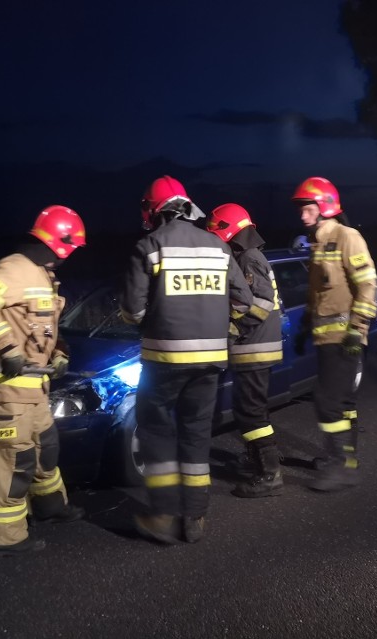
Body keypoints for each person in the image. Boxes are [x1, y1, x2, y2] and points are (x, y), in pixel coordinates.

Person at [120, 176, 252, 544]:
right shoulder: (218, 246)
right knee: (196, 436)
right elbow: (243, 302)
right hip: (211, 361)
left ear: (153, 209)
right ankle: (195, 517)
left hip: (164, 361)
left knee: (157, 434)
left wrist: (152, 317)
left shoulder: (149, 246)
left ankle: (162, 515)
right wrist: (219, 324)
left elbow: (132, 312)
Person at [0, 205, 86, 558]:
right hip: (5, 387)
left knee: (45, 446)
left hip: (34, 386)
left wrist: (59, 353)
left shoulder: (42, 275)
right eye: (74, 248)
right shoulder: (15, 267)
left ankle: (50, 505)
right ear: (62, 242)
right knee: (15, 459)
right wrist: (8, 348)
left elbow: (43, 330)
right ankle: (4, 538)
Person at [292, 177, 377, 492]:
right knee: (341, 402)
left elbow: (368, 286)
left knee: (327, 400)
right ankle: (339, 458)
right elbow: (316, 296)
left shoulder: (347, 237)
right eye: (301, 209)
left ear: (325, 206)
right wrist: (303, 327)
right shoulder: (318, 244)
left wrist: (358, 331)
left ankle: (343, 465)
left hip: (345, 337)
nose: (302, 215)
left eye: (308, 208)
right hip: (326, 338)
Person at [206, 203, 284, 498]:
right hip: (257, 346)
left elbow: (260, 304)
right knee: (252, 409)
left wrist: (232, 331)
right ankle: (258, 460)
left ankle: (269, 474)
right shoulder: (251, 256)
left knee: (250, 412)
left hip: (254, 346)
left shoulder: (249, 258)